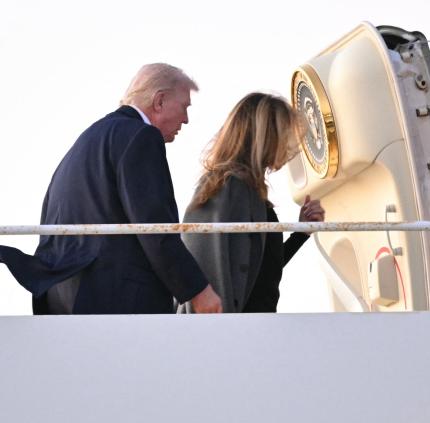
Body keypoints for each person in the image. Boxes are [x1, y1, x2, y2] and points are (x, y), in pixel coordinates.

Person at [0, 63, 222, 314]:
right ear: (159, 101)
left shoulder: (87, 141)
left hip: (63, 294)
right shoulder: (141, 136)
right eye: (184, 106)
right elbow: (154, 226)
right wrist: (198, 290)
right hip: (116, 299)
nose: (186, 119)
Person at [181, 92, 325, 313]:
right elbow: (210, 266)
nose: (289, 144)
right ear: (265, 136)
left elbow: (260, 272)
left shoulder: (244, 188)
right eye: (283, 133)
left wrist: (301, 232)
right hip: (237, 330)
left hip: (253, 326)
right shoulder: (229, 186)